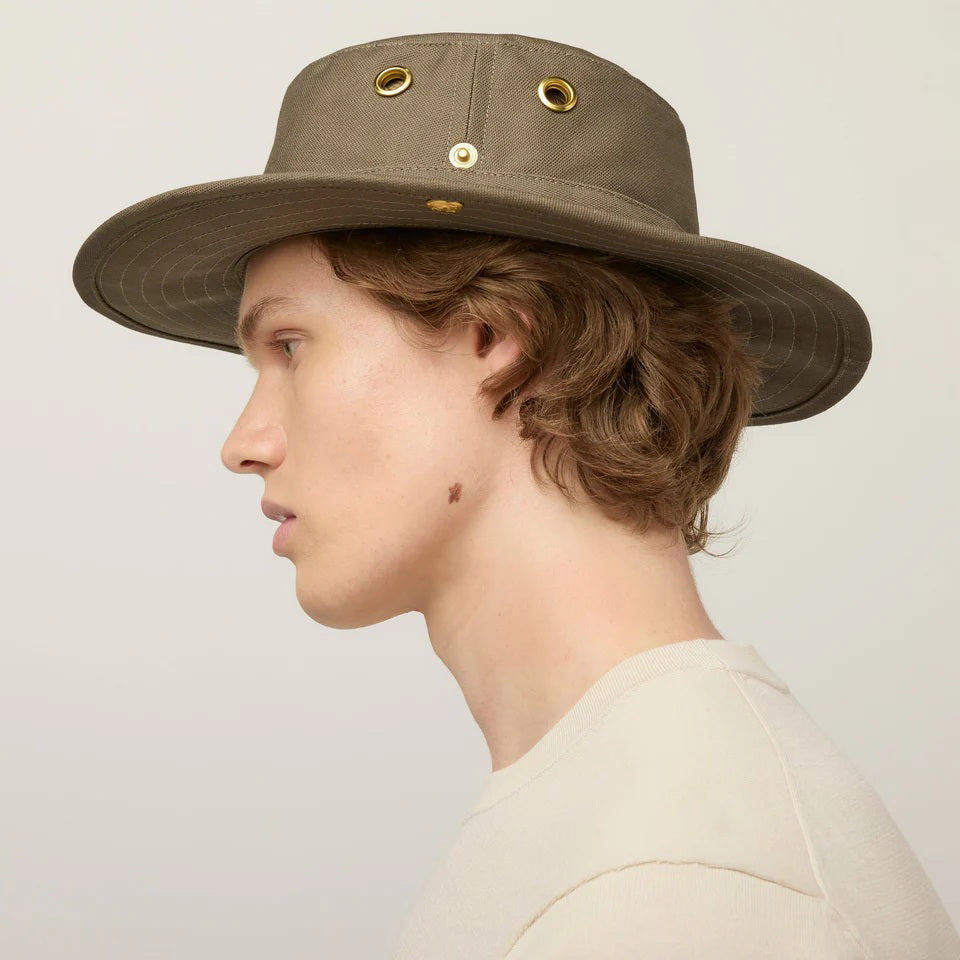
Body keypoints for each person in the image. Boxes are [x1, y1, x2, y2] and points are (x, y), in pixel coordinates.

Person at [72, 30, 959, 960]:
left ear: (496, 339)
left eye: (290, 346)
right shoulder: (627, 820)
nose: (244, 444)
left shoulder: (679, 891)